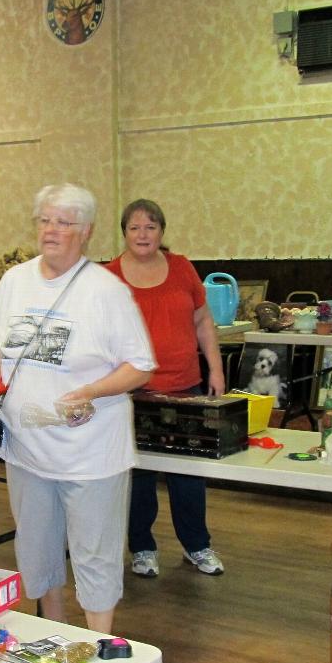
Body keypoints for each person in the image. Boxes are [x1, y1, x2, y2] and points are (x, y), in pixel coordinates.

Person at [0, 184, 155, 635]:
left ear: (86, 231)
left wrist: (91, 391)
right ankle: (54, 636)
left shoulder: (105, 291)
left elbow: (140, 366)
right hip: (27, 447)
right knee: (37, 549)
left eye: (64, 222)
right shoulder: (16, 281)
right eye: (45, 220)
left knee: (94, 553)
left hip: (91, 454)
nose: (51, 230)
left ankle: (99, 645)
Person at [105, 199, 226, 577]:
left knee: (188, 473)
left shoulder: (182, 268)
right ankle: (141, 548)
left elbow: (203, 321)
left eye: (151, 227)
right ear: (124, 233)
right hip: (132, 392)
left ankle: (197, 546)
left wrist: (216, 370)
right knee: (138, 473)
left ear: (162, 232)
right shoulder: (108, 276)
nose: (143, 234)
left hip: (185, 386)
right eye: (135, 227)